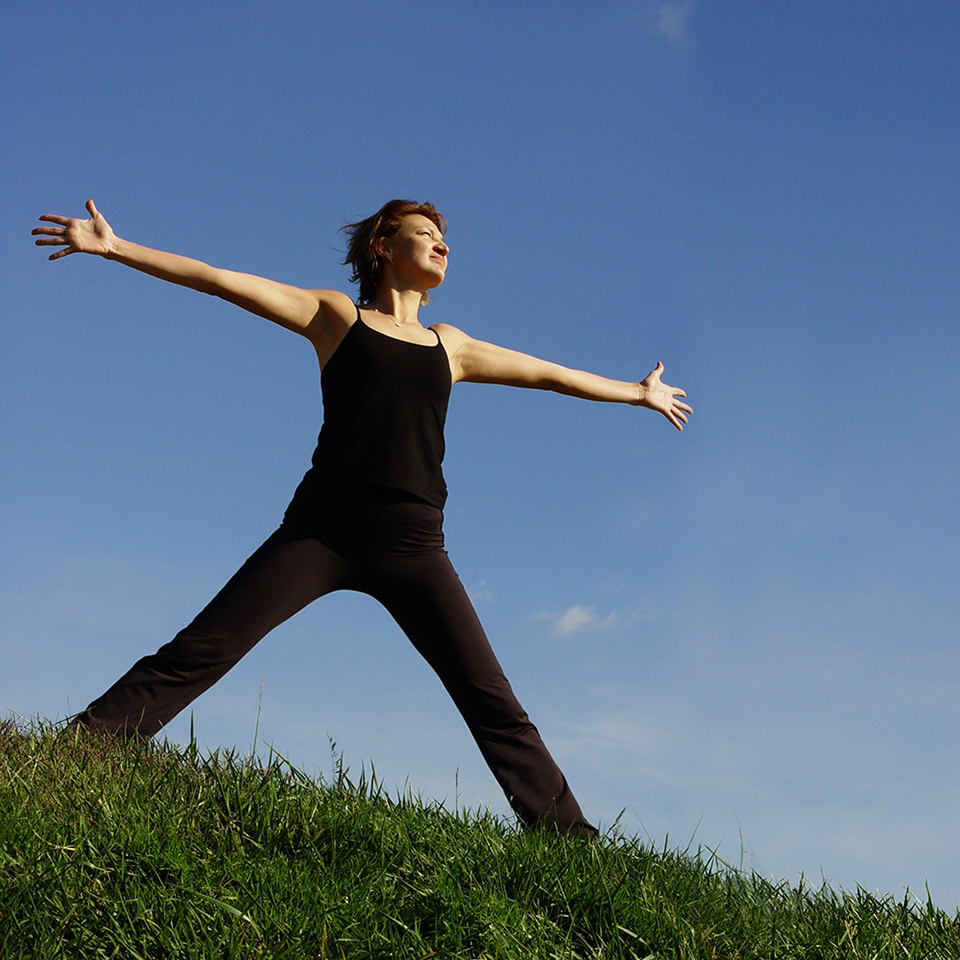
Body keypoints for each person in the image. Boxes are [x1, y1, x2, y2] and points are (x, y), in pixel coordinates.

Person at [32, 198, 692, 836]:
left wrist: (636, 393)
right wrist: (116, 247)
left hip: (413, 542)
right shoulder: (334, 317)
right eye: (424, 231)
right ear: (383, 245)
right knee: (203, 647)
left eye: (444, 237)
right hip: (322, 529)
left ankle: (569, 838)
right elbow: (222, 281)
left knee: (491, 698)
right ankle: (86, 745)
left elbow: (548, 374)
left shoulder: (449, 346)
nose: (443, 243)